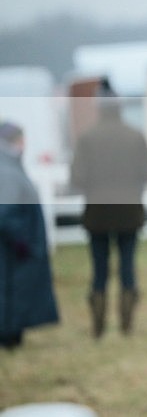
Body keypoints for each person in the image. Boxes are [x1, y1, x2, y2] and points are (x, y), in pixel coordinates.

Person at [70, 80, 147, 338]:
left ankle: (97, 327)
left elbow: (76, 178)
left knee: (99, 270)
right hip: (128, 213)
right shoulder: (135, 135)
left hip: (97, 214)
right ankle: (126, 325)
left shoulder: (86, 138)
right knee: (127, 268)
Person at [0, 121, 59, 349]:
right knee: (10, 290)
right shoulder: (6, 170)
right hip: (11, 249)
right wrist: (23, 242)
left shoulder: (10, 166)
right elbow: (5, 212)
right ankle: (8, 334)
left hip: (14, 246)